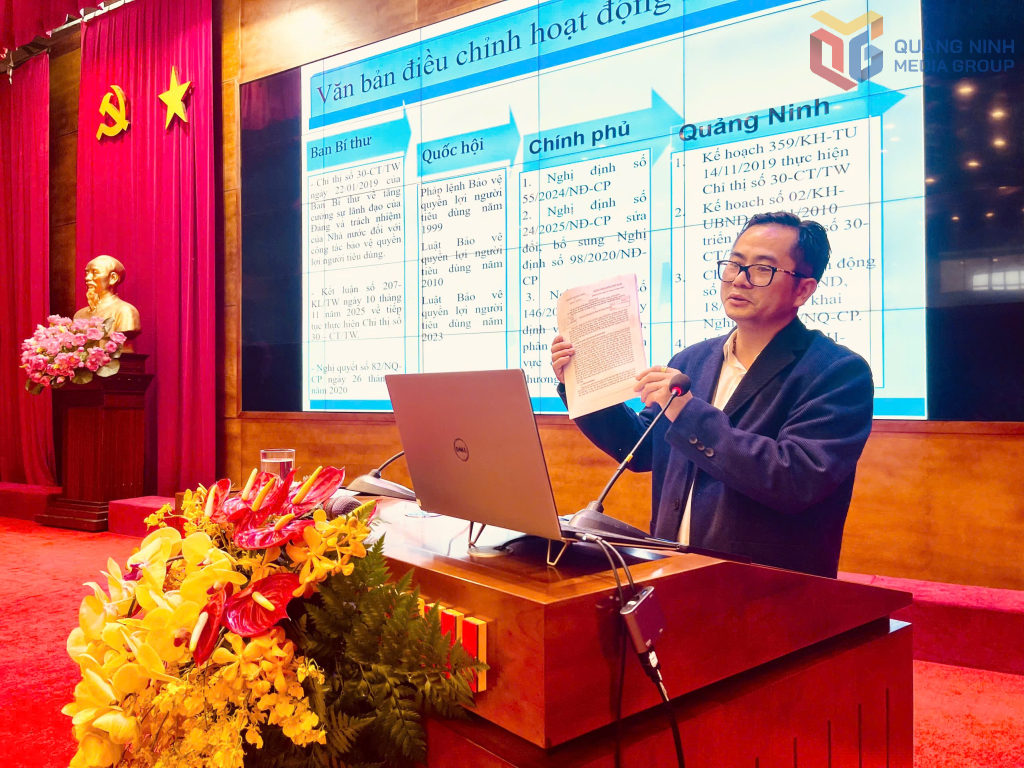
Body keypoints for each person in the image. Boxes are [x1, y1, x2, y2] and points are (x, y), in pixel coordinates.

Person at [550, 212, 874, 578]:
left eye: (762, 269)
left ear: (803, 289)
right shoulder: (692, 360)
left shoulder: (836, 371)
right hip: (672, 573)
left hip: (765, 588)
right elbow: (639, 448)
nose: (739, 279)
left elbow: (796, 479)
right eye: (734, 264)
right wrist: (578, 383)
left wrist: (688, 414)